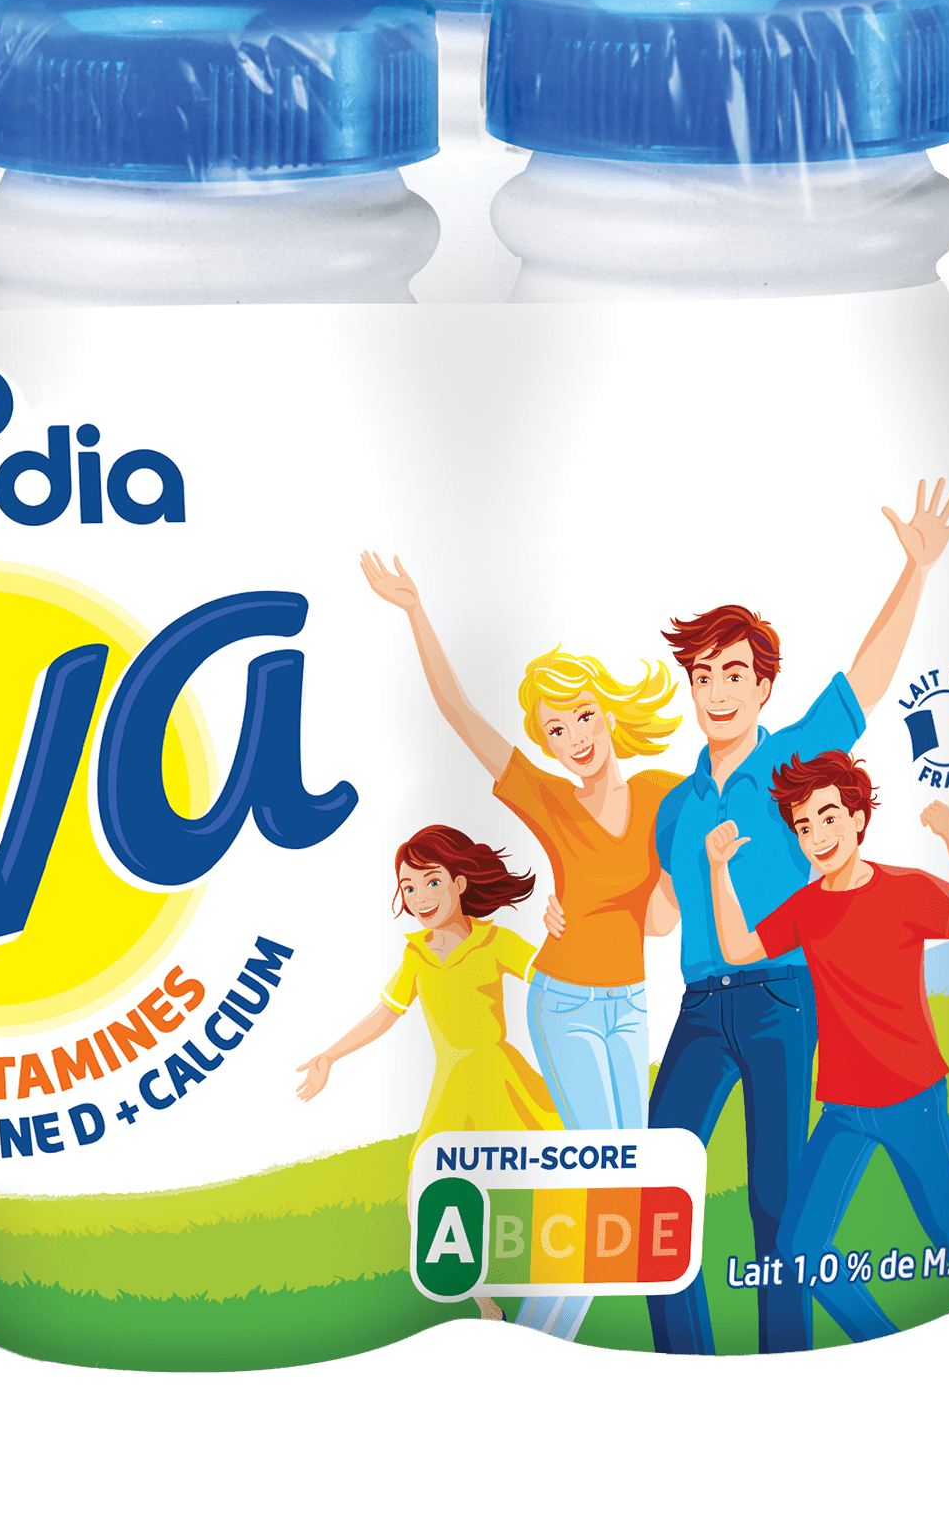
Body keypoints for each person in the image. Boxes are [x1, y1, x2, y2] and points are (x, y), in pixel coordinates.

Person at [648, 479, 949, 1356]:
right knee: (659, 1182)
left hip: (782, 996)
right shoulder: (676, 805)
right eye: (703, 677)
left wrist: (917, 570)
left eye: (734, 675)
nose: (718, 691)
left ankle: (784, 1360)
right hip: (699, 1006)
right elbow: (660, 914)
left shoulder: (793, 758)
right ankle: (681, 1357)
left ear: (763, 686)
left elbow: (867, 678)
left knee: (777, 1200)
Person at [359, 555, 682, 1339]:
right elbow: (459, 713)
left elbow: (661, 924)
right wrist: (414, 610)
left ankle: (534, 1329)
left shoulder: (661, 795)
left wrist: (680, 876)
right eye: (554, 730)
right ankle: (540, 1333)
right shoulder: (548, 799)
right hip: (564, 1005)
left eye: (581, 718)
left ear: (608, 714)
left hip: (630, 1006)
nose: (573, 739)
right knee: (606, 1181)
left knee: (628, 1186)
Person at [706, 756, 949, 1341]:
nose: (817, 835)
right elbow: (739, 949)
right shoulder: (807, 907)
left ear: (859, 817)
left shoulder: (906, 890)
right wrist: (718, 870)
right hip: (844, 1107)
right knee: (799, 1248)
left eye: (828, 816)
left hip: (912, 1096)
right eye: (804, 826)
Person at [296, 824, 557, 1323]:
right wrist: (329, 1055)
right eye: (409, 887)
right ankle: (485, 1302)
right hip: (452, 1085)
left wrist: (565, 930)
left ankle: (547, 1277)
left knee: (528, 1173)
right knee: (428, 1182)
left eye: (431, 881)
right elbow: (385, 1014)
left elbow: (553, 975)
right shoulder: (415, 954)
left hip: (499, 1075)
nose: (419, 897)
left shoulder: (494, 941)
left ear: (460, 883)